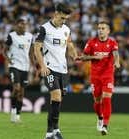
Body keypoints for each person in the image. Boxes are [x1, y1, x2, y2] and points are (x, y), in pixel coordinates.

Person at [34, 3, 77, 139]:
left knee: (56, 101)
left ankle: (51, 131)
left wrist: (74, 54)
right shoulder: (44, 29)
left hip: (63, 69)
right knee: (56, 96)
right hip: (50, 68)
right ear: (56, 13)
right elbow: (37, 49)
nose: (63, 21)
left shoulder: (66, 29)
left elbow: (69, 44)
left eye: (66, 19)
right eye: (62, 18)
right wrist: (43, 66)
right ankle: (53, 131)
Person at [79, 21, 120, 135]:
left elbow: (116, 54)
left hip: (107, 75)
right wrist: (95, 57)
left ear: (108, 31)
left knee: (107, 98)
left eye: (103, 28)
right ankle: (100, 117)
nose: (100, 30)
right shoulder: (92, 42)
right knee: (97, 100)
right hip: (95, 76)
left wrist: (117, 62)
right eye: (99, 28)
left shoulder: (112, 42)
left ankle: (105, 125)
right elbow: (83, 57)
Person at [4, 18, 34, 123]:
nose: (24, 26)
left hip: (25, 67)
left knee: (21, 93)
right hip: (14, 65)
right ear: (17, 25)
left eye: (25, 24)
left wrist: (34, 65)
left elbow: (31, 52)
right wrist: (8, 60)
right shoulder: (11, 36)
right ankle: (12, 110)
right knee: (16, 88)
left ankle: (17, 116)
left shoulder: (30, 37)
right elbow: (4, 50)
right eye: (22, 24)